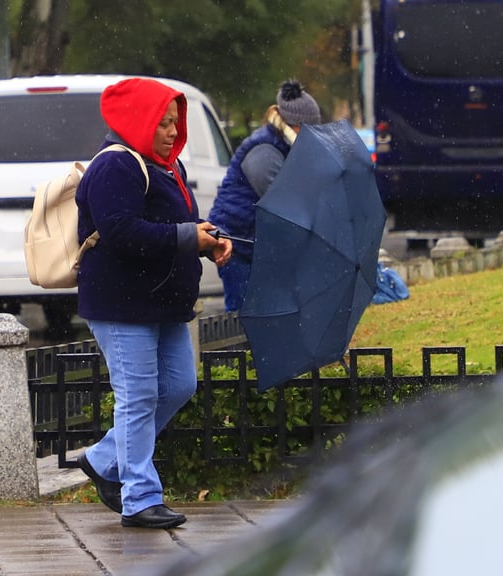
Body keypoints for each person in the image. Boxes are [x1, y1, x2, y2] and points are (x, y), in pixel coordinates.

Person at [74, 77, 232, 529]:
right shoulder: (115, 167)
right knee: (138, 396)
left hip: (162, 302)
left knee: (179, 385)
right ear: (138, 121)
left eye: (174, 122)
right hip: (122, 304)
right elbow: (122, 231)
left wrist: (205, 237)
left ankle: (105, 459)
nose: (171, 131)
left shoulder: (167, 165)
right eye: (162, 123)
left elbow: (172, 223)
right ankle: (139, 498)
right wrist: (188, 236)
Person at [208, 79, 321, 312]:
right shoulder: (264, 150)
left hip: (257, 247)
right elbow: (282, 204)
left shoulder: (285, 147)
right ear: (296, 125)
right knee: (245, 321)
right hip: (238, 246)